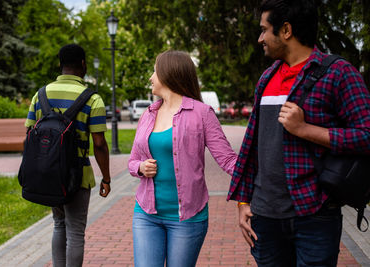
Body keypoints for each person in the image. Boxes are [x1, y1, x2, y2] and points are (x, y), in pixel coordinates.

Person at [227, 0, 370, 266]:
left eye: (264, 30)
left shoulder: (339, 73)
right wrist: (243, 202)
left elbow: (366, 135)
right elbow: (252, 147)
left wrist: (305, 130)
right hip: (265, 217)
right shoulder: (267, 78)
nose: (260, 39)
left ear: (286, 31)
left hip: (314, 214)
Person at [128, 50, 238, 267]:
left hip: (187, 218)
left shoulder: (202, 113)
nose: (151, 77)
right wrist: (140, 167)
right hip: (146, 213)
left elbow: (228, 160)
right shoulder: (148, 113)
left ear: (169, 73)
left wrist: (262, 177)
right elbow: (132, 161)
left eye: (155, 71)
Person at [25, 44, 111, 267]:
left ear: (60, 65)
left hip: (50, 173)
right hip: (78, 175)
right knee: (75, 232)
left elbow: (29, 134)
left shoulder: (40, 95)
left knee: (58, 224)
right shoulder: (93, 99)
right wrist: (107, 178)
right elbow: (99, 144)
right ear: (83, 65)